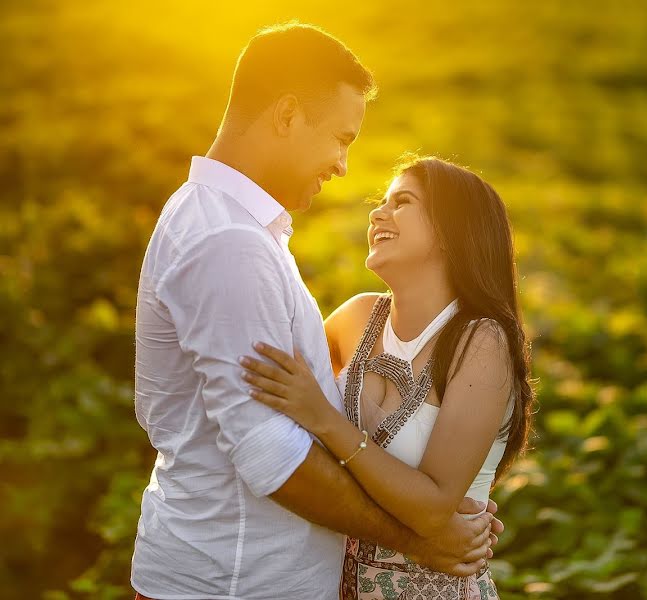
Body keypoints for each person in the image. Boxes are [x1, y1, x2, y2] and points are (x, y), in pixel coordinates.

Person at [132, 23, 499, 600]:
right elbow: (270, 455)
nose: (343, 166)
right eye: (339, 137)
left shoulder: (236, 230)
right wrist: (419, 539)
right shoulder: (229, 243)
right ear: (285, 115)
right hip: (233, 582)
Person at [240, 155, 535, 599]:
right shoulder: (356, 319)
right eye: (383, 202)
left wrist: (325, 419)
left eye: (403, 202)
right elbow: (285, 397)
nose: (378, 213)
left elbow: (434, 510)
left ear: (452, 229)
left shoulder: (481, 342)